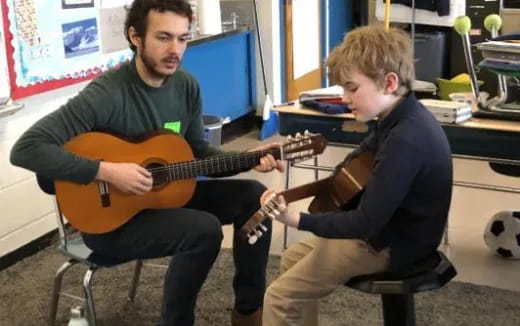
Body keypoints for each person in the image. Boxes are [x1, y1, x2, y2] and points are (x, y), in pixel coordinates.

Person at [10, 1, 283, 325]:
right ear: (135, 36)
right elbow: (25, 149)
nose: (175, 49)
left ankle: (248, 311)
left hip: (165, 199)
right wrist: (106, 170)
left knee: (255, 197)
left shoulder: (185, 87)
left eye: (182, 38)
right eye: (163, 37)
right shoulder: (107, 93)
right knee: (204, 232)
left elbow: (199, 156)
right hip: (110, 221)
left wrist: (250, 159)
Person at [260, 25, 453, 325]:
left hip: (391, 244)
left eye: (352, 88)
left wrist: (295, 219)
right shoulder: (393, 118)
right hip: (388, 233)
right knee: (291, 260)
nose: (345, 98)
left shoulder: (407, 138)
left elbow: (365, 221)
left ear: (389, 82)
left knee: (278, 297)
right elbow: (351, 165)